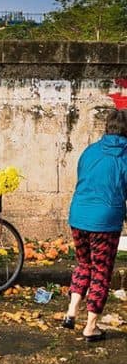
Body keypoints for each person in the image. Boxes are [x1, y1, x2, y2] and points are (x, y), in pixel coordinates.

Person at [63, 109, 127, 342]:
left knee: (83, 263)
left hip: (78, 216)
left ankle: (71, 311)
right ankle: (91, 327)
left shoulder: (90, 151)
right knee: (101, 270)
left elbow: (82, 178)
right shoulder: (125, 156)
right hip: (105, 221)